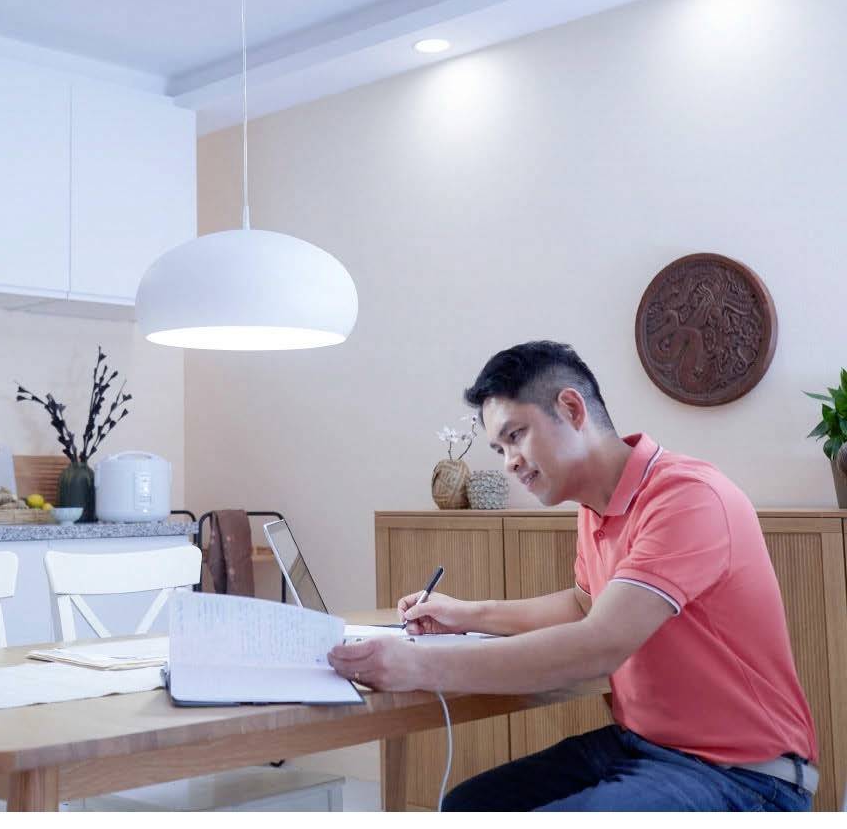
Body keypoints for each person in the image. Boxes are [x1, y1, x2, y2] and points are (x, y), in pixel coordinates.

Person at [328, 341, 817, 811]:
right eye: (499, 448)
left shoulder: (687, 497)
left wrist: (415, 667)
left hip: (746, 776)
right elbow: (585, 606)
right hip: (643, 747)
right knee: (468, 805)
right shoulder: (595, 507)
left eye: (516, 436)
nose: (510, 461)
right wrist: (463, 614)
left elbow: (599, 643)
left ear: (572, 408)